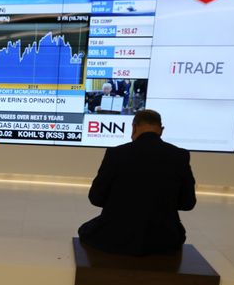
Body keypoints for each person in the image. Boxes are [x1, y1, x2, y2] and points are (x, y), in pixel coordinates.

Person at [78, 109, 196, 256]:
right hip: (164, 239)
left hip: (115, 237)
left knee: (86, 229)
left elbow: (96, 198)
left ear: (133, 127)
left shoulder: (116, 154)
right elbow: (188, 203)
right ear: (161, 130)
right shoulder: (180, 156)